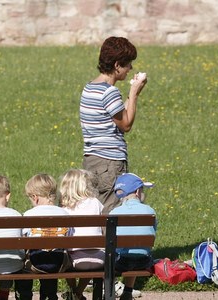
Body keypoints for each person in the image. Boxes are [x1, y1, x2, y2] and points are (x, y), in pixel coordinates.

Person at [80, 36, 148, 215]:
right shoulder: (109, 92)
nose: (130, 68)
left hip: (91, 160)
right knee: (109, 212)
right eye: (128, 64)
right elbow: (125, 125)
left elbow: (119, 116)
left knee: (94, 210)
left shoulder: (89, 88)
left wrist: (132, 95)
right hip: (109, 162)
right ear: (117, 65)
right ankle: (107, 244)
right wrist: (133, 93)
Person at [18, 173, 72, 300]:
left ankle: (25, 296)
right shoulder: (65, 213)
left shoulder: (29, 214)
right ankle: (49, 295)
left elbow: (24, 241)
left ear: (35, 197)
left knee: (25, 263)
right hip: (59, 263)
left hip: (35, 263)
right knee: (53, 253)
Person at [109, 173, 157, 300]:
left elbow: (110, 241)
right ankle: (128, 292)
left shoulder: (114, 213)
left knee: (114, 254)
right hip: (143, 261)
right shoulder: (150, 211)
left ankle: (108, 293)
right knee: (135, 249)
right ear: (137, 192)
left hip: (121, 262)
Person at [59, 169, 104, 300]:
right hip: (99, 259)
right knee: (91, 256)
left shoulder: (64, 208)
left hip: (75, 261)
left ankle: (74, 291)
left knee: (64, 254)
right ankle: (78, 292)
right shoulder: (96, 202)